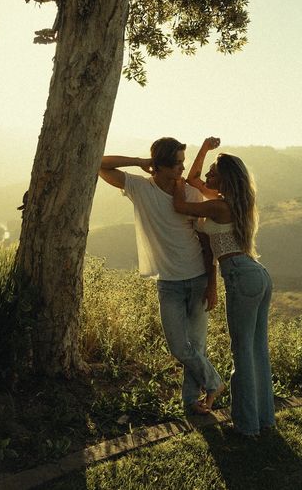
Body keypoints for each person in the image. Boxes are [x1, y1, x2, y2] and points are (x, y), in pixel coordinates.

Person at [99, 137, 223, 414]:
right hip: (168, 282)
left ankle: (193, 403)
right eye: (178, 163)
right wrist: (139, 162)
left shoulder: (189, 194)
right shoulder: (139, 188)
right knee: (180, 347)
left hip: (198, 277)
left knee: (197, 346)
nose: (182, 168)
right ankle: (214, 383)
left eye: (182, 162)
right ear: (161, 166)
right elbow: (100, 164)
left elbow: (206, 243)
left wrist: (212, 285)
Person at [173, 138, 275, 437]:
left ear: (224, 179)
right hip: (255, 274)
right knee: (257, 349)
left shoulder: (218, 205)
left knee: (243, 350)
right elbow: (195, 179)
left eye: (212, 172)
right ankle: (262, 419)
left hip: (241, 276)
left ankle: (246, 426)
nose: (205, 177)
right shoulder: (232, 201)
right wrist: (204, 150)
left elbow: (180, 202)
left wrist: (173, 179)